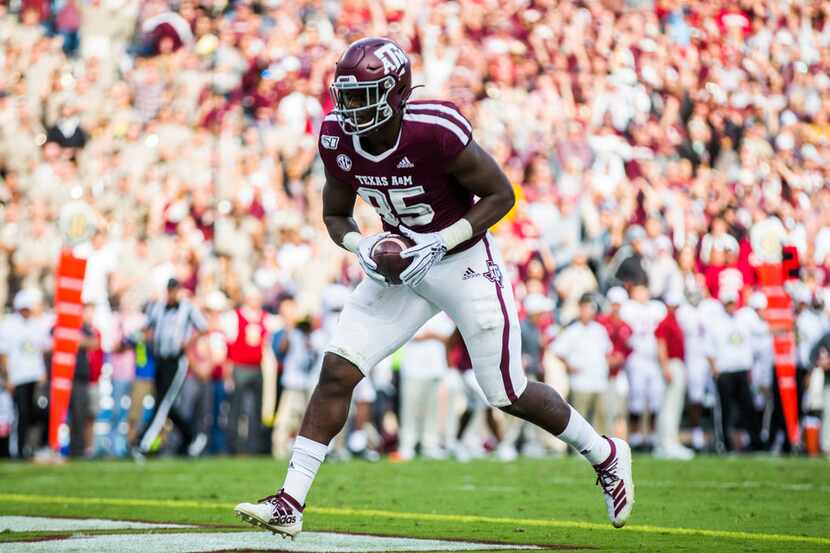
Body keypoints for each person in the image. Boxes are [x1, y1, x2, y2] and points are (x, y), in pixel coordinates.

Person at [235, 38, 634, 538]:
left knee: (506, 391)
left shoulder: (435, 129)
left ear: (397, 92)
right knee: (337, 369)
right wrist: (361, 245)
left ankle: (605, 453)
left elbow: (501, 194)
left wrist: (440, 243)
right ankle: (291, 500)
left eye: (365, 96)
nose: (352, 109)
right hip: (400, 265)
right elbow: (335, 215)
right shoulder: (336, 136)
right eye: (348, 96)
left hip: (461, 259)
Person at [132, 278, 208, 459]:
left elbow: (203, 328)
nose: (173, 294)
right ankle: (192, 437)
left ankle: (143, 443)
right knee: (165, 403)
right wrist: (135, 337)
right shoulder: (157, 308)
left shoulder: (187, 308)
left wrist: (188, 343)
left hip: (176, 360)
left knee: (163, 403)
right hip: (160, 359)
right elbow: (147, 327)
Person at [705, 288, 763, 453]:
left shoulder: (744, 318)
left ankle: (755, 441)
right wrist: (715, 369)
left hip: (741, 370)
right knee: (726, 410)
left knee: (748, 407)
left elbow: (761, 330)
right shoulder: (716, 322)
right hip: (725, 371)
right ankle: (725, 443)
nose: (731, 306)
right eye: (728, 303)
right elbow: (708, 349)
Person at [0, 290, 51, 458]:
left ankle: (31, 447)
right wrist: (7, 378)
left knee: (35, 413)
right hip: (17, 377)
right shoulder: (9, 325)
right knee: (18, 414)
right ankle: (19, 450)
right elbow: (4, 354)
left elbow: (42, 349)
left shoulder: (36, 325)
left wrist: (42, 372)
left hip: (34, 376)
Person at [398, 312, 455, 460]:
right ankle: (407, 445)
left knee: (432, 410)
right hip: (413, 368)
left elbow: (450, 337)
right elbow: (411, 335)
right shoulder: (413, 310)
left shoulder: (442, 313)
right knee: (410, 410)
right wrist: (435, 336)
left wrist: (432, 335)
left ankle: (429, 445)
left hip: (436, 368)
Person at [553, 294, 612, 434]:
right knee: (579, 419)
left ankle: (603, 451)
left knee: (601, 419)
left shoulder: (600, 330)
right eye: (584, 308)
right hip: (580, 382)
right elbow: (557, 350)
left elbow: (607, 352)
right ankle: (578, 452)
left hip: (599, 380)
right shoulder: (572, 330)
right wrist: (569, 366)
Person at [224, 285, 272, 454]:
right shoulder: (235, 317)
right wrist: (228, 371)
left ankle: (254, 446)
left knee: (256, 409)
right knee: (236, 408)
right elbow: (229, 345)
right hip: (240, 367)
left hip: (256, 368)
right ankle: (234, 446)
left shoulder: (264, 318)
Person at [620, 285, 666, 450]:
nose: (641, 294)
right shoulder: (628, 308)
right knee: (636, 398)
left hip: (653, 359)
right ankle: (635, 436)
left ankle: (653, 436)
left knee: (655, 398)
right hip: (636, 357)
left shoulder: (657, 308)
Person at [653, 292, 693, 460]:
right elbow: (661, 345)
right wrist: (665, 367)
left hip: (675, 364)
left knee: (671, 406)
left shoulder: (674, 321)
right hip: (672, 364)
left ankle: (666, 442)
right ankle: (667, 442)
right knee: (671, 406)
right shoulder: (666, 323)